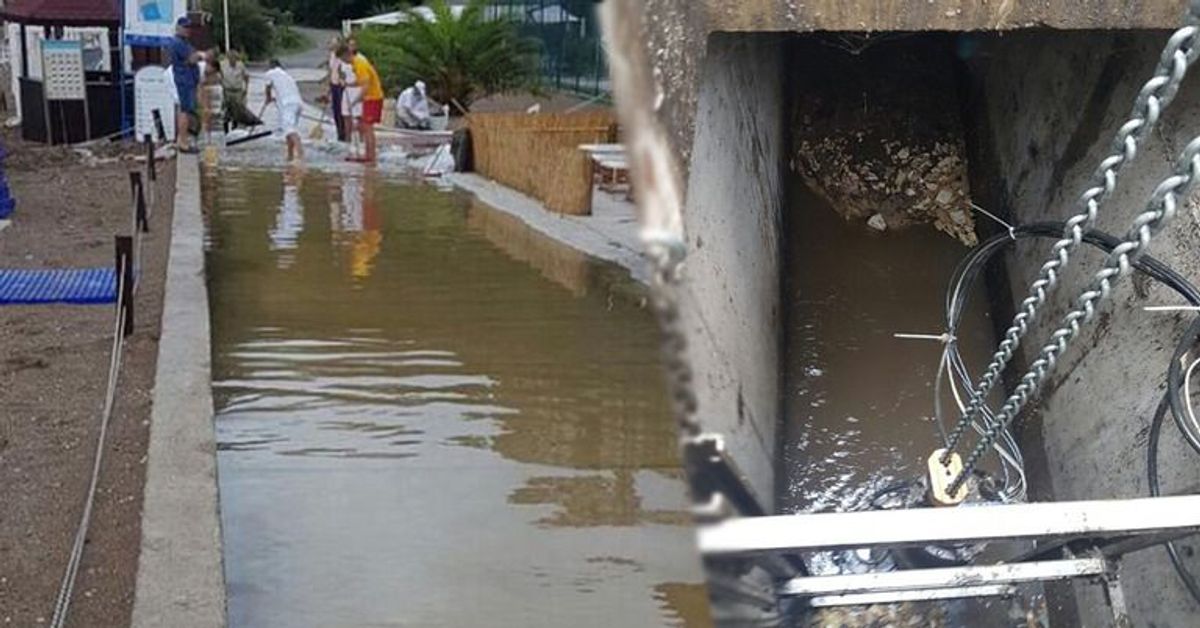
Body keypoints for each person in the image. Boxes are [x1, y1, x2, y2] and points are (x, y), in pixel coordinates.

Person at [338, 44, 383, 163]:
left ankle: (370, 156)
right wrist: (349, 84)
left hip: (372, 97)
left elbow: (366, 85)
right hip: (370, 97)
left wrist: (356, 100)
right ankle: (368, 153)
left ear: (346, 55)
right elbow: (361, 81)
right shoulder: (357, 62)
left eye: (343, 60)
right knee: (364, 125)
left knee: (368, 128)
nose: (345, 63)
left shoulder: (359, 63)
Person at [169, 17, 202, 153]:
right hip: (184, 80)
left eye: (189, 28)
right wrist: (201, 55)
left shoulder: (184, 42)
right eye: (185, 28)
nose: (188, 30)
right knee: (185, 111)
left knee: (186, 110)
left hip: (188, 80)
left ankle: (182, 140)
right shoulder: (178, 43)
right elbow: (192, 59)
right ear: (178, 28)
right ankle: (183, 143)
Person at [265, 59, 304, 162]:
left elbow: (268, 87)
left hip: (287, 104)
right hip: (298, 103)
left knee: (289, 130)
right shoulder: (287, 75)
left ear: (271, 66)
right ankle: (290, 155)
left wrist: (268, 98)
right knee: (288, 130)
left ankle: (301, 156)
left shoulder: (270, 73)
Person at [326, 36, 348, 142]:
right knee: (335, 110)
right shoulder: (332, 55)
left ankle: (343, 133)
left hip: (340, 85)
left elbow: (342, 71)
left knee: (341, 110)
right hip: (334, 84)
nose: (330, 45)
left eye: (333, 43)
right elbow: (331, 70)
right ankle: (339, 132)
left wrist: (342, 81)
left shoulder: (341, 57)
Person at [222, 50, 249, 127]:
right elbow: (219, 76)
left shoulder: (241, 65)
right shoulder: (223, 65)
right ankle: (226, 131)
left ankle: (235, 127)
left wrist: (246, 89)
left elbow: (246, 77)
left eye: (234, 58)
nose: (232, 60)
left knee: (237, 112)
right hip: (227, 92)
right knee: (226, 112)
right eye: (230, 58)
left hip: (237, 92)